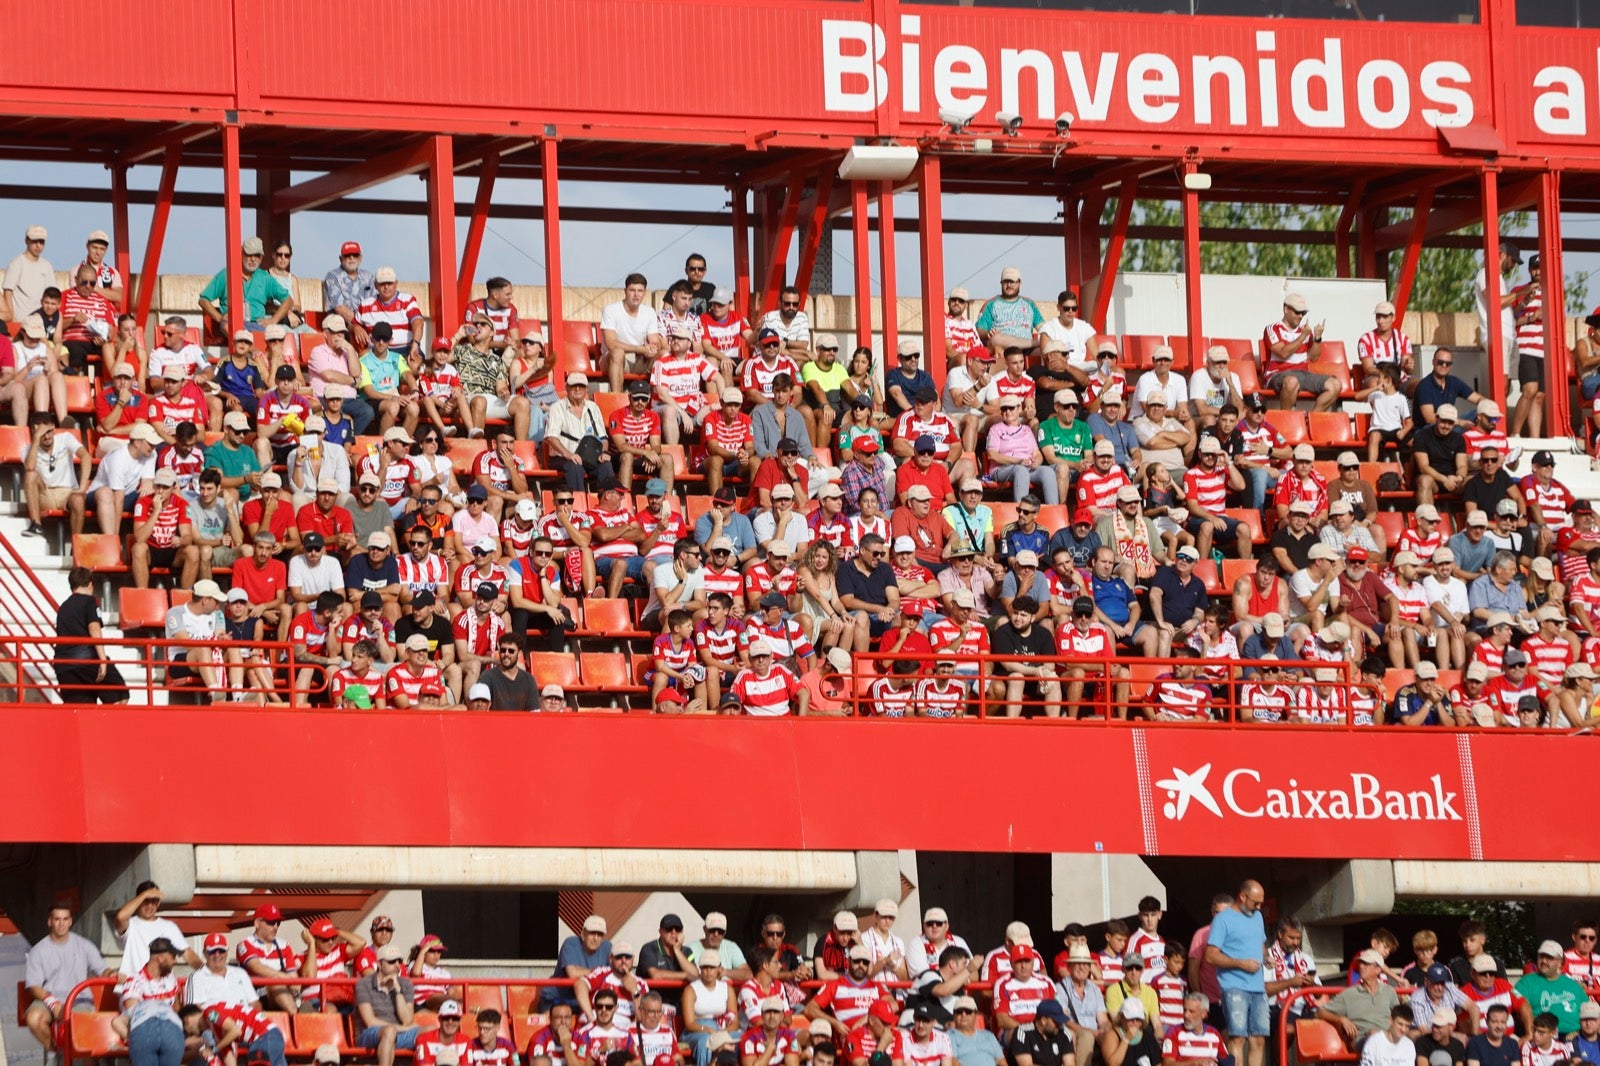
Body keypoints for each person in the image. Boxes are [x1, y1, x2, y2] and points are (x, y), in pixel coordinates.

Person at [24, 901, 113, 1064]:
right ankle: (55, 1052)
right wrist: (53, 1003)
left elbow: (103, 971)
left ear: (71, 921)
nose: (61, 923)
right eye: (57, 919)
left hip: (80, 1000)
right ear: (49, 921)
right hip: (49, 1000)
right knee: (34, 1018)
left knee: (86, 1036)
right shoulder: (38, 950)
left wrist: (113, 973)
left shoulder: (85, 945)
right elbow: (33, 986)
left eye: (65, 919)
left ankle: (77, 1057)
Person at [1207, 880, 1268, 1066]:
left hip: (1258, 987)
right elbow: (1210, 956)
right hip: (1234, 987)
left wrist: (1267, 956)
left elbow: (1260, 943)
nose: (1258, 907)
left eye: (1260, 903)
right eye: (1255, 903)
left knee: (1259, 1039)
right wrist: (1241, 964)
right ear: (1242, 896)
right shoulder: (1222, 919)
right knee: (1238, 1038)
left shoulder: (1257, 917)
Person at [54, 565, 128, 704]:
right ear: (90, 584)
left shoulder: (63, 607)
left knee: (82, 708)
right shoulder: (90, 601)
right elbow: (94, 629)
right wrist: (103, 660)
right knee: (120, 695)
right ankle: (108, 725)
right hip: (85, 659)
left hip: (63, 666)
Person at [118, 937, 185, 1066]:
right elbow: (135, 1016)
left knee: (201, 1047)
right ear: (160, 958)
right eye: (172, 956)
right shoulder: (135, 982)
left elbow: (177, 1007)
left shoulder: (171, 979)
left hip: (170, 1030)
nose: (175, 961)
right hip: (143, 1033)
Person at [1319, 950, 1402, 1049]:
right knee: (1374, 1034)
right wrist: (1342, 1019)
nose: (1362, 967)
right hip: (1363, 1039)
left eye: (1366, 964)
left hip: (1389, 1037)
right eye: (1361, 963)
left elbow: (1399, 1016)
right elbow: (1320, 1012)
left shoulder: (1389, 991)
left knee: (1414, 1036)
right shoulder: (1349, 994)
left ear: (1378, 970)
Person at [355, 944, 419, 1066]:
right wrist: (403, 1028)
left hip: (399, 1034)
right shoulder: (363, 984)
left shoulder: (406, 984)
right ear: (379, 964)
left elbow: (407, 1020)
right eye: (391, 961)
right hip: (369, 1034)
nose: (397, 965)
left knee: (433, 1031)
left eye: (399, 961)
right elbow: (370, 1022)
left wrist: (398, 990)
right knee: (389, 1031)